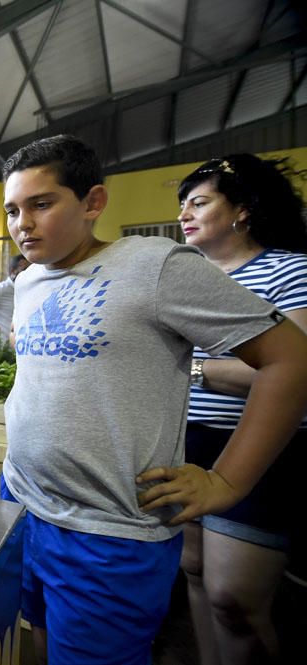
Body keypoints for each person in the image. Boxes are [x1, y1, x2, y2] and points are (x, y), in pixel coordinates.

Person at [0, 134, 307, 665]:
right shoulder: (28, 282)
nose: (22, 222)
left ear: (93, 202)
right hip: (22, 505)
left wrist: (227, 480)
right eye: (12, 210)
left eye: (41, 204)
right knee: (36, 638)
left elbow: (291, 359)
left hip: (108, 531)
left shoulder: (156, 266)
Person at [176, 153, 307, 665]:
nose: (185, 213)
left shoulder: (290, 269)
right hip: (189, 438)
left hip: (260, 444)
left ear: (243, 209)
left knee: (235, 598)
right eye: (182, 204)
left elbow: (295, 371)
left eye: (199, 202)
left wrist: (198, 370)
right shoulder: (185, 276)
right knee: (194, 572)